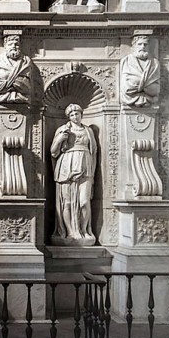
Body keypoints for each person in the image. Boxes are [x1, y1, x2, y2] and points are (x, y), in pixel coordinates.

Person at [50, 104, 97, 245]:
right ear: (68, 117)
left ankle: (84, 231)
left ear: (81, 114)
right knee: (68, 203)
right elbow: (53, 152)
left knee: (84, 201)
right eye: (71, 115)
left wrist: (92, 172)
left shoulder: (88, 130)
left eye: (77, 113)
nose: (75, 117)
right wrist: (60, 139)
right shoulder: (63, 129)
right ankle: (70, 232)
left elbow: (93, 152)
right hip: (66, 168)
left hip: (85, 167)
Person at [121, 34, 160, 107]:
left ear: (148, 46)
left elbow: (155, 90)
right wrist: (146, 85)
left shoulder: (155, 62)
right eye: (139, 44)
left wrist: (136, 82)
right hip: (129, 98)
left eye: (145, 44)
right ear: (134, 46)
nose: (142, 47)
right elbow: (127, 88)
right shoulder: (126, 61)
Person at [0, 33, 31, 105]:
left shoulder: (26, 60)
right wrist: (18, 80)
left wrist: (7, 78)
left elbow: (26, 87)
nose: (14, 47)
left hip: (23, 97)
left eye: (16, 44)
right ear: (5, 46)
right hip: (0, 97)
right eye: (10, 44)